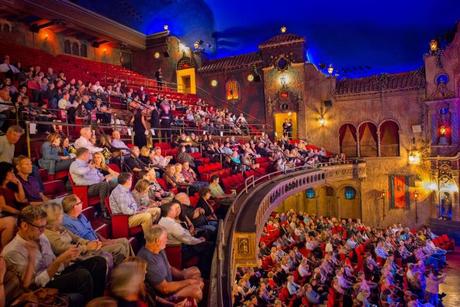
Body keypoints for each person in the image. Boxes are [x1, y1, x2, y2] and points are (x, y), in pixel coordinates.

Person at [1, 205, 107, 305]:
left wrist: (67, 260)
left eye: (45, 226)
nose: (43, 231)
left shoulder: (41, 236)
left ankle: (96, 301)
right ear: (24, 225)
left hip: (56, 274)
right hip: (43, 285)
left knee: (98, 261)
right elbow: (32, 284)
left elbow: (54, 263)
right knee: (82, 275)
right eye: (40, 227)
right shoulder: (13, 251)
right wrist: (59, 261)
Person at [137, 225, 204, 302]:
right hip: (165, 296)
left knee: (195, 271)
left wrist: (183, 275)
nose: (167, 240)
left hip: (170, 284)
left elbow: (169, 267)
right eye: (165, 238)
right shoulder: (148, 259)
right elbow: (164, 289)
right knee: (196, 290)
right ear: (157, 241)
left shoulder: (158, 248)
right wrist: (188, 282)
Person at [62, 194, 133, 265]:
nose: (82, 204)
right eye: (80, 203)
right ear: (75, 206)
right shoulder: (67, 224)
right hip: (91, 250)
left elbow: (92, 231)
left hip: (99, 243)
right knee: (120, 247)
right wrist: (103, 244)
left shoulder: (81, 215)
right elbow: (81, 242)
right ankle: (124, 271)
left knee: (125, 241)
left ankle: (135, 265)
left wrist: (105, 240)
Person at [158, 201, 213, 277]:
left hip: (180, 245)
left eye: (178, 208)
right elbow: (188, 240)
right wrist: (200, 240)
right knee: (209, 245)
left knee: (206, 234)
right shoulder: (171, 224)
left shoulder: (163, 220)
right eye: (175, 209)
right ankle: (205, 273)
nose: (178, 210)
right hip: (181, 250)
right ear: (169, 211)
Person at [69, 147, 116, 219]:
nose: (90, 156)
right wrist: (89, 167)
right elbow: (80, 172)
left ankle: (115, 207)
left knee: (114, 183)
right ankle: (104, 211)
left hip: (96, 185)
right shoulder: (75, 164)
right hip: (86, 188)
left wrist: (107, 178)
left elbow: (97, 175)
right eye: (89, 154)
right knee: (104, 185)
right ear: (84, 155)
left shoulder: (88, 164)